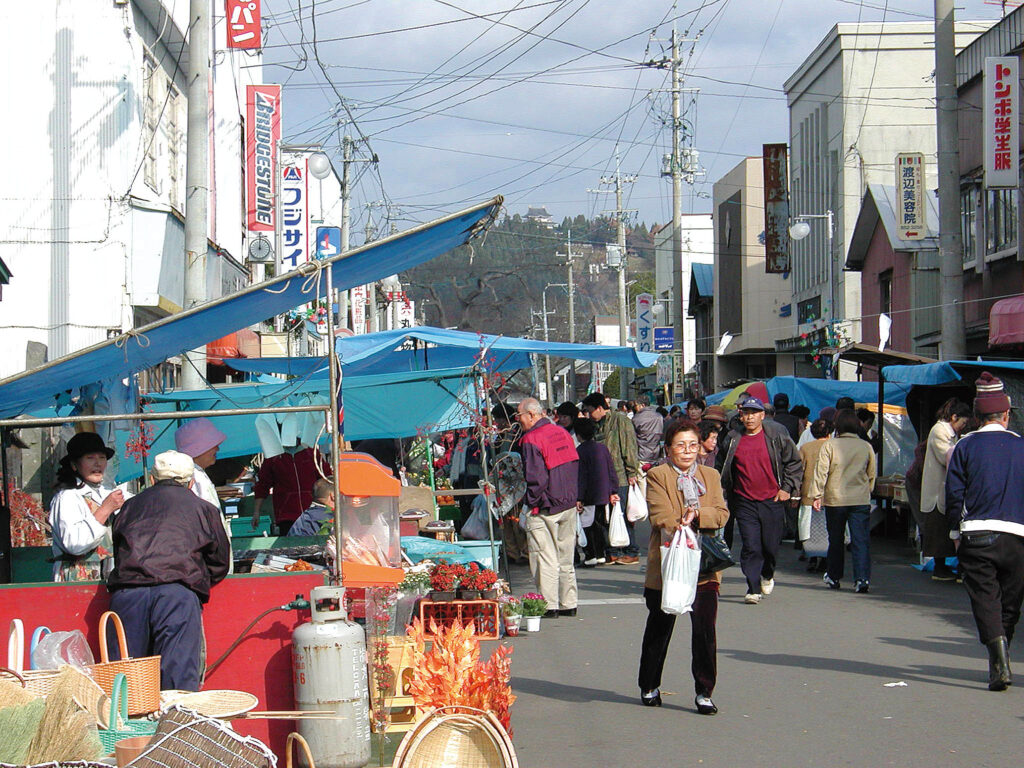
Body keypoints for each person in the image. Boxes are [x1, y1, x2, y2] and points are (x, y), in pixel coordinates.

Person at [108, 451, 230, 691]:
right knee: (177, 678)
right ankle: (173, 726)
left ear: (152, 479)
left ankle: (128, 728)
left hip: (128, 594)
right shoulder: (204, 509)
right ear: (191, 483)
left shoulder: (130, 507)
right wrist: (197, 578)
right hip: (177, 592)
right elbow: (220, 562)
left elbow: (118, 549)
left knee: (127, 681)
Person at [639, 418, 730, 715]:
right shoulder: (657, 476)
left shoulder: (711, 475)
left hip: (704, 565)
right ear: (668, 448)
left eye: (693, 444)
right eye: (680, 445)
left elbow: (721, 514)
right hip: (669, 564)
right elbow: (660, 515)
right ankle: (649, 684)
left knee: (705, 632)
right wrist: (683, 519)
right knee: (660, 628)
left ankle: (704, 691)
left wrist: (698, 515)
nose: (688, 451)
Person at [945, 372, 1024, 691]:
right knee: (1010, 601)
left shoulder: (963, 446)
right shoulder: (1021, 447)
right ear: (1006, 414)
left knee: (985, 599)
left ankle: (998, 661)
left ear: (977, 416)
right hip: (1018, 536)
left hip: (976, 534)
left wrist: (954, 532)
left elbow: (954, 494)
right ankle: (1003, 655)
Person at [716, 396, 802, 603]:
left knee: (770, 546)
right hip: (743, 500)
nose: (749, 417)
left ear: (762, 416)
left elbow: (794, 463)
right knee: (751, 545)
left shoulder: (776, 435)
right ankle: (752, 587)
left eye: (754, 413)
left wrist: (787, 489)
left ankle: (767, 573)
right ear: (740, 415)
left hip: (772, 499)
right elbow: (721, 465)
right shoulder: (733, 438)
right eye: (746, 413)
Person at [516, 398, 580, 617]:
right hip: (568, 502)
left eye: (520, 416)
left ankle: (549, 605)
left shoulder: (531, 439)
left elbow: (535, 477)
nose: (518, 420)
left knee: (544, 557)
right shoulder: (562, 433)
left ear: (532, 415)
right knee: (565, 557)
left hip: (545, 505)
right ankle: (569, 603)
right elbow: (573, 465)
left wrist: (530, 504)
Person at [809, 409, 877, 593]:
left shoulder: (829, 446)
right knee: (860, 540)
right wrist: (866, 491)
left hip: (835, 499)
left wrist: (816, 495)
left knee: (836, 539)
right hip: (860, 499)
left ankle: (834, 576)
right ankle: (862, 579)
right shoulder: (865, 446)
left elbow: (821, 473)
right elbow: (872, 474)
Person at [49, 432, 128, 581]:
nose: (97, 464)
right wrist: (105, 510)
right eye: (90, 458)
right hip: (75, 578)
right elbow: (75, 544)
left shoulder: (105, 493)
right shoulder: (67, 497)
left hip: (104, 577)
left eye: (102, 458)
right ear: (74, 465)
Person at [582, 392, 641, 564]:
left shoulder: (620, 421)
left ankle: (631, 550)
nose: (589, 415)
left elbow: (629, 448)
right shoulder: (596, 425)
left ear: (600, 408)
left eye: (590, 411)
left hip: (621, 476)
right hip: (604, 477)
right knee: (608, 516)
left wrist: (632, 472)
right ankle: (614, 550)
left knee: (622, 514)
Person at [920, 398, 972, 581]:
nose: (962, 427)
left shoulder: (950, 433)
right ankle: (939, 568)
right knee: (938, 531)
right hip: (936, 491)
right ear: (954, 417)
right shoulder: (939, 430)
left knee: (945, 530)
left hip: (944, 490)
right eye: (962, 423)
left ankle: (944, 568)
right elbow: (947, 457)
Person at [174, 418, 233, 570]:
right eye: (213, 445)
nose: (217, 449)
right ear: (200, 448)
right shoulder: (192, 477)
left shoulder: (199, 474)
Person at [252, 441, 332, 535]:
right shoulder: (272, 457)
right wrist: (256, 512)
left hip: (313, 514)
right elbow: (262, 486)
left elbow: (328, 479)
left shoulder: (311, 453)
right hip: (286, 517)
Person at [574, 417, 618, 567]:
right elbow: (611, 470)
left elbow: (580, 476)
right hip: (603, 493)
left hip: (588, 495)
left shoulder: (580, 451)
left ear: (579, 435)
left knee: (587, 526)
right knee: (600, 525)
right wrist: (613, 490)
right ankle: (602, 554)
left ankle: (590, 555)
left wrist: (579, 497)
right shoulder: (602, 448)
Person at [797, 419, 832, 572]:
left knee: (808, 527)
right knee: (826, 528)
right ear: (830, 432)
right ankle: (825, 558)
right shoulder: (834, 447)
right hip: (829, 494)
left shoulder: (805, 448)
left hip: (808, 494)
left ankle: (811, 557)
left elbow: (798, 472)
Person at [632, 394, 664, 464]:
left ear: (642, 405)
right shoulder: (659, 416)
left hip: (642, 455)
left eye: (636, 405)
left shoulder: (636, 418)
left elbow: (632, 438)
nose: (634, 408)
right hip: (656, 454)